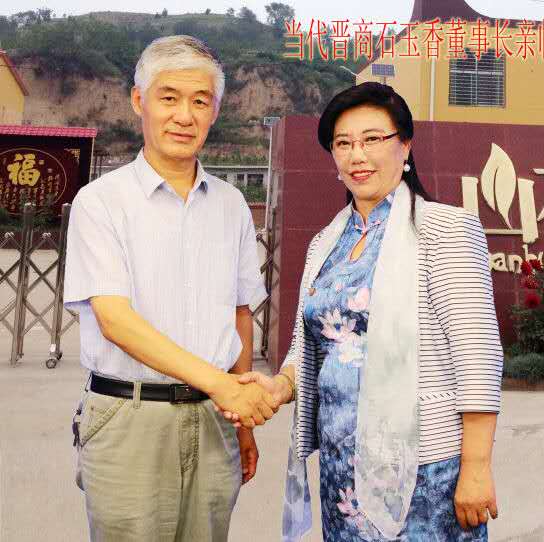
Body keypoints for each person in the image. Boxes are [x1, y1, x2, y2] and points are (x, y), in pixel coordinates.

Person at [231, 82, 503, 541]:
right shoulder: (326, 243)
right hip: (342, 465)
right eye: (343, 144)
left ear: (405, 146)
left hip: (424, 466)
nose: (357, 155)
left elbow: (477, 356)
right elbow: (311, 346)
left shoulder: (445, 230)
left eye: (373, 139)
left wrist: (476, 467)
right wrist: (280, 386)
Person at [63, 35, 277, 541]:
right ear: (139, 101)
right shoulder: (101, 202)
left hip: (215, 420)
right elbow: (115, 321)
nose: (184, 116)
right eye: (169, 97)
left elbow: (239, 315)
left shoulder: (231, 206)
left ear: (215, 111)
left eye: (200, 101)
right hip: (129, 417)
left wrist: (241, 423)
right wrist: (226, 387)